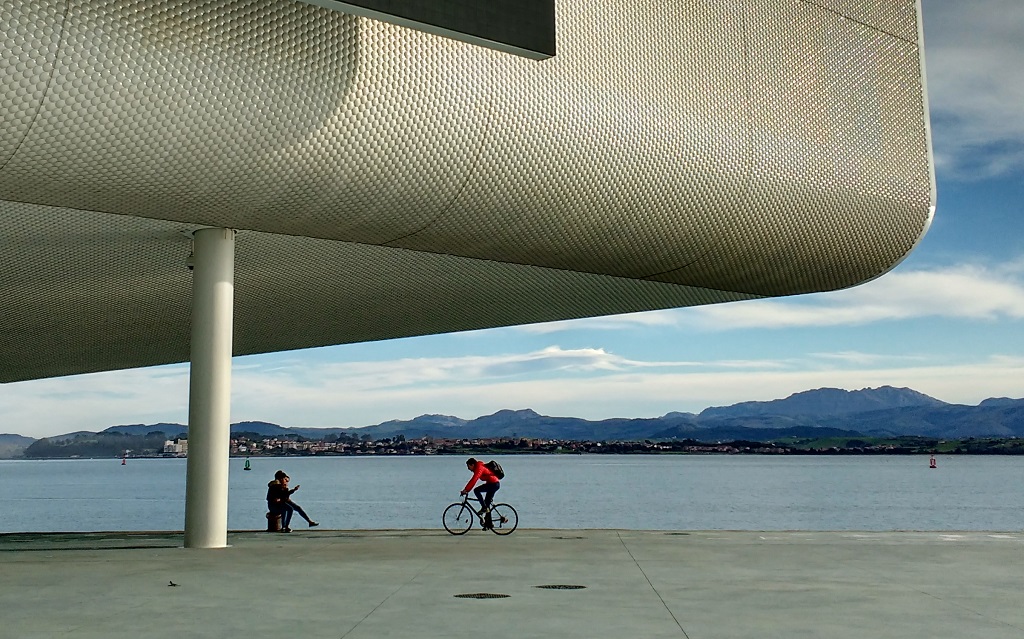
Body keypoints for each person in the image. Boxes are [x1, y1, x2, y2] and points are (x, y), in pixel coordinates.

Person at [461, 458, 500, 529]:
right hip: (493, 484)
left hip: (493, 484)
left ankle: (484, 508)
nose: (468, 469)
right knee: (487, 504)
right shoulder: (479, 467)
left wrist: (466, 490)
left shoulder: (479, 468)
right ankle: (489, 524)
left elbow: (474, 480)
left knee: (476, 490)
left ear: (472, 464)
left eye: (468, 466)